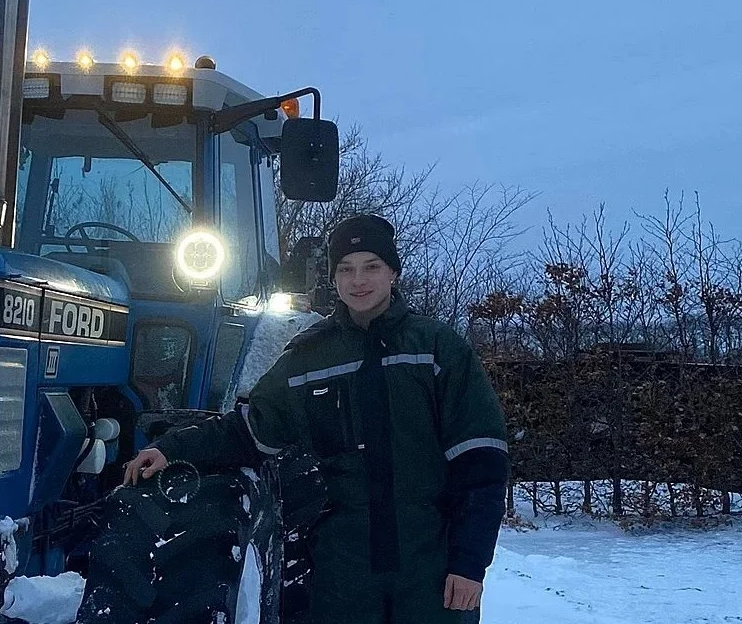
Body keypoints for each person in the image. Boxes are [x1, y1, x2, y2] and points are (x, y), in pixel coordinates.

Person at [123, 214, 510, 623]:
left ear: (393, 272)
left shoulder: (436, 348)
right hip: (344, 577)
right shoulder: (309, 358)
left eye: (371, 267)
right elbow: (248, 430)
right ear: (334, 278)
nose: (358, 280)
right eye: (346, 269)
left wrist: (469, 564)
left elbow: (480, 464)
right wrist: (172, 448)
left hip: (431, 571)